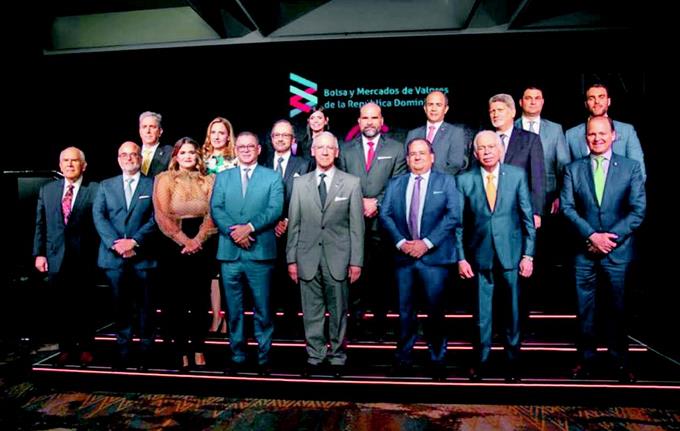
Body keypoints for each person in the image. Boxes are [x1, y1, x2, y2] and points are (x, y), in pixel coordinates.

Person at [561, 116, 646, 383]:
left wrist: (609, 239)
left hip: (617, 251)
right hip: (583, 251)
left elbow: (637, 210)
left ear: (613, 135)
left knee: (618, 309)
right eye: (591, 134)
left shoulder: (631, 168)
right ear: (585, 137)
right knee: (584, 309)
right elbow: (567, 208)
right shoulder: (573, 169)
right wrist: (591, 235)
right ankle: (585, 361)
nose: (597, 138)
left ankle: (620, 363)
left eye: (602, 133)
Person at [456, 131, 536, 382]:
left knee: (512, 313)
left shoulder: (516, 175)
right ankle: (482, 362)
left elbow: (527, 218)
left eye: (491, 146)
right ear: (475, 153)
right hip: (479, 257)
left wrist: (528, 255)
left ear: (500, 149)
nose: (487, 151)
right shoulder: (464, 180)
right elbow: (458, 224)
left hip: (512, 255)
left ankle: (513, 363)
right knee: (482, 315)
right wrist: (461, 258)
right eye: (482, 148)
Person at [379, 138, 461, 380]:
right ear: (407, 159)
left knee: (435, 312)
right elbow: (385, 215)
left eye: (422, 153)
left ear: (432, 157)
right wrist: (401, 242)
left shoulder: (446, 181)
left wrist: (426, 243)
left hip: (434, 259)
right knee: (405, 313)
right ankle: (403, 358)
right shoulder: (396, 183)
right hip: (403, 259)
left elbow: (453, 215)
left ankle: (437, 359)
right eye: (413, 154)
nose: (417, 157)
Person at [286, 131, 364, 377]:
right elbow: (294, 224)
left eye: (330, 148)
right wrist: (291, 259)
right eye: (320, 147)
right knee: (312, 312)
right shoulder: (300, 183)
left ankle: (338, 356)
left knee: (339, 311)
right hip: (306, 257)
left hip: (338, 258)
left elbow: (356, 227)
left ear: (337, 152)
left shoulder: (351, 183)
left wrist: (356, 261)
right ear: (312, 151)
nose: (325, 151)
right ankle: (315, 356)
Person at [210, 132, 284, 375]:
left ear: (259, 149)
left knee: (263, 309)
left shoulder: (272, 177)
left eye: (250, 146)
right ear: (236, 149)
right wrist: (235, 233)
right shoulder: (223, 177)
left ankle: (264, 357)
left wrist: (249, 228)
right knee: (234, 310)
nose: (245, 150)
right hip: (230, 253)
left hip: (259, 252)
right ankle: (237, 355)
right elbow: (216, 208)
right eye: (241, 146)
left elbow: (275, 209)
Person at [338, 102, 407, 338]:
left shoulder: (397, 149)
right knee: (354, 277)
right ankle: (355, 324)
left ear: (381, 121)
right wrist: (360, 202)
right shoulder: (345, 150)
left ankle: (380, 324)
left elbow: (398, 183)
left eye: (374, 118)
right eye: (365, 118)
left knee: (381, 278)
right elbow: (341, 182)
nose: (369, 122)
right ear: (359, 122)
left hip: (383, 225)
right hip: (352, 224)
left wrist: (376, 202)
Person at [153, 137, 217, 370]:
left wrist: (197, 240)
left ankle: (199, 347)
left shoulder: (209, 179)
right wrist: (184, 240)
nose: (188, 156)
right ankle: (180, 350)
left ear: (198, 156)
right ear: (176, 156)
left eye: (192, 152)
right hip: (173, 245)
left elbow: (213, 213)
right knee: (175, 302)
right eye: (183, 152)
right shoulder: (164, 179)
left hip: (202, 243)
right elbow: (162, 215)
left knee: (199, 301)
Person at [93, 141, 158, 370]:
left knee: (146, 307)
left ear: (140, 158)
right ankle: (123, 350)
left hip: (144, 257)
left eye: (133, 154)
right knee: (119, 306)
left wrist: (135, 241)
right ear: (118, 159)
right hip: (113, 258)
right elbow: (99, 217)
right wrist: (116, 244)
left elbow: (157, 218)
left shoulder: (153, 184)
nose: (129, 158)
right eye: (124, 155)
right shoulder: (105, 185)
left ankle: (147, 351)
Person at [33, 147, 99, 366]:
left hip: (85, 257)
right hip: (55, 257)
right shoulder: (47, 190)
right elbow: (40, 224)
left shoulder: (95, 189)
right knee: (61, 306)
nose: (70, 164)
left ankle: (86, 347)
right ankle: (66, 348)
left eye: (74, 160)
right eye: (65, 161)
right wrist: (39, 253)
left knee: (85, 304)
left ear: (84, 166)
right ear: (60, 165)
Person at [263, 120, 312, 323]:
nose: (281, 139)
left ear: (293, 140)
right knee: (268, 284)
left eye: (286, 135)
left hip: (295, 231)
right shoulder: (262, 163)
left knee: (292, 283)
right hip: (266, 232)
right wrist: (272, 222)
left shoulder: (304, 164)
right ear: (271, 139)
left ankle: (292, 324)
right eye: (277, 135)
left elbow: (307, 197)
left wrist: (286, 220)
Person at [202, 117, 238, 334]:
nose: (217, 136)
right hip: (204, 225)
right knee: (212, 275)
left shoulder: (236, 161)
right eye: (213, 132)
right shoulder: (200, 160)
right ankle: (216, 317)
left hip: (228, 223)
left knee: (227, 274)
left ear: (228, 136)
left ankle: (230, 319)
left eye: (221, 132)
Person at [565, 83, 646, 181]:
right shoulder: (571, 135)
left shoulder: (627, 131)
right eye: (591, 98)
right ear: (586, 104)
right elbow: (566, 174)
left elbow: (639, 172)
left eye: (601, 97)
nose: (597, 101)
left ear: (608, 101)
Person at [488, 93, 545, 229]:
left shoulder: (531, 140)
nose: (495, 114)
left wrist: (536, 211)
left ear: (513, 112)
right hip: (488, 210)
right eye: (492, 111)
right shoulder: (484, 138)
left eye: (500, 110)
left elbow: (537, 178)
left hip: (519, 210)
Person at [405, 91, 470, 176]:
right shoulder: (413, 134)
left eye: (438, 105)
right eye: (430, 104)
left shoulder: (455, 133)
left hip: (443, 182)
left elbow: (455, 164)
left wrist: (433, 180)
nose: (434, 109)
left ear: (446, 109)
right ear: (425, 108)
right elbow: (407, 162)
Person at [138, 111, 173, 177]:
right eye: (144, 127)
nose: (148, 131)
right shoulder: (134, 152)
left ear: (160, 131)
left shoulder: (169, 153)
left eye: (152, 127)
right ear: (140, 131)